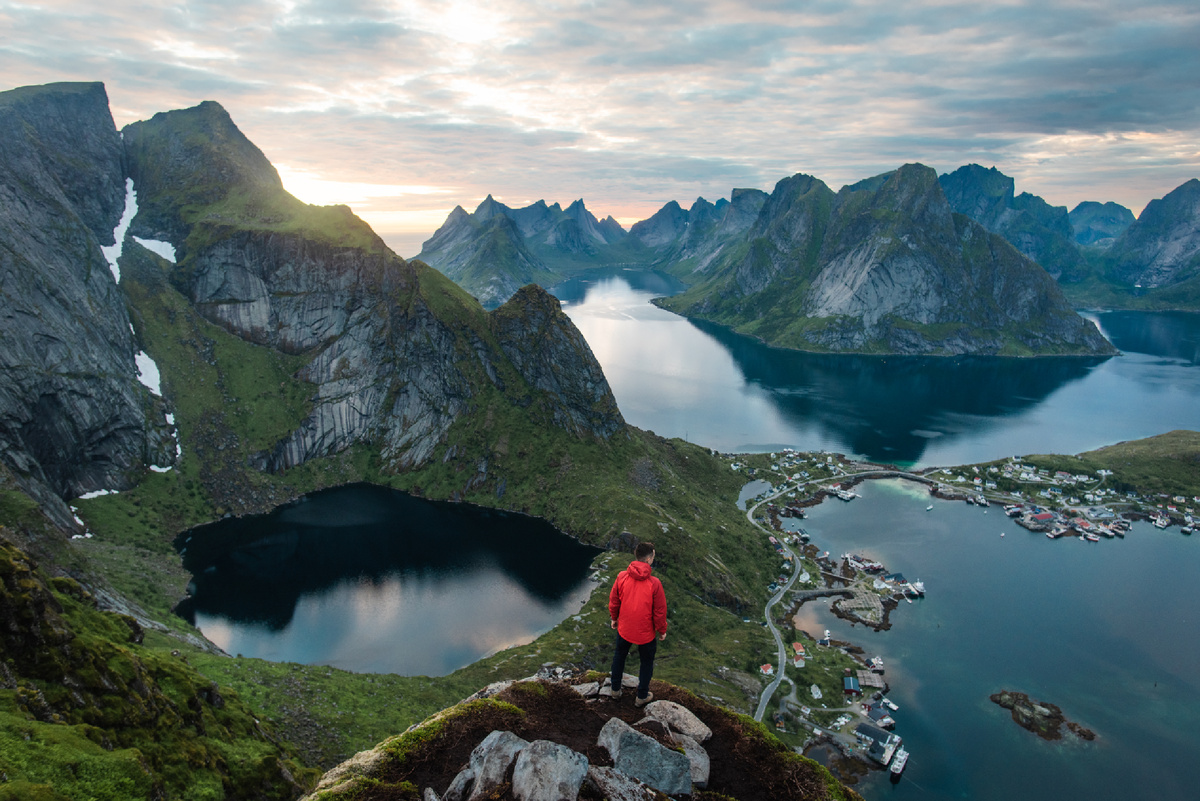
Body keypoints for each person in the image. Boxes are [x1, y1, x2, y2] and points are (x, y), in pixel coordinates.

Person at [608, 541, 667, 706]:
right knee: (646, 661)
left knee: (619, 655)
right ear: (649, 559)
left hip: (625, 628)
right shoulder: (654, 584)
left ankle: (615, 690)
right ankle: (641, 696)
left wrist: (614, 618)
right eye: (653, 556)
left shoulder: (622, 576)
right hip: (645, 633)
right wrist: (662, 630)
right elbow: (659, 612)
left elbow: (614, 601)